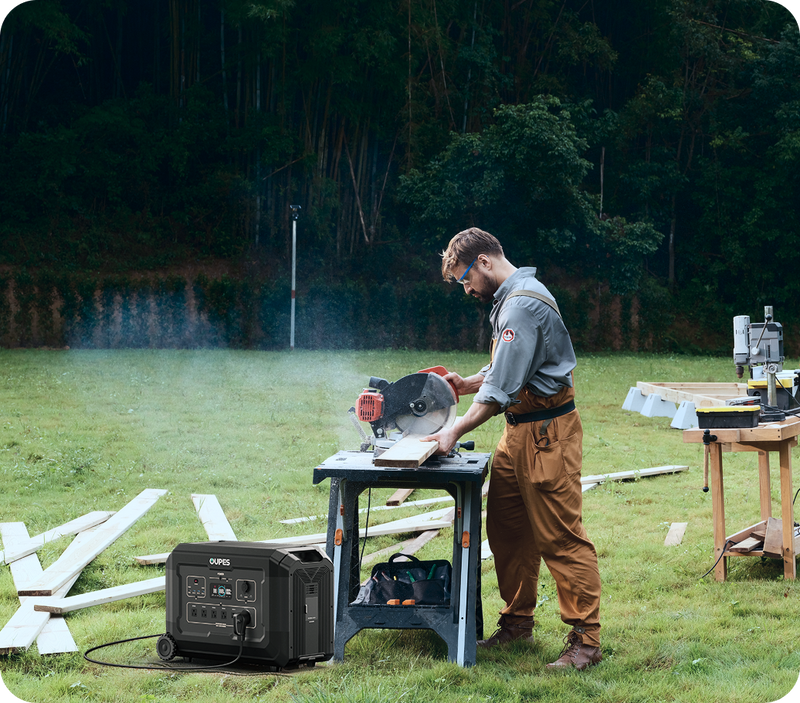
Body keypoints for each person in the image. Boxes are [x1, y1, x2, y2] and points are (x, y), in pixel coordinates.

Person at [424, 227, 602, 671]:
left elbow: (500, 391)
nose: (467, 289)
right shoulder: (510, 298)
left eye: (466, 278)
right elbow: (508, 366)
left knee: (561, 537)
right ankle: (517, 623)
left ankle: (586, 640)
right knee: (507, 531)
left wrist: (452, 431)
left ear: (484, 261)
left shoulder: (522, 305)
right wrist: (467, 383)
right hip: (517, 433)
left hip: (547, 435)